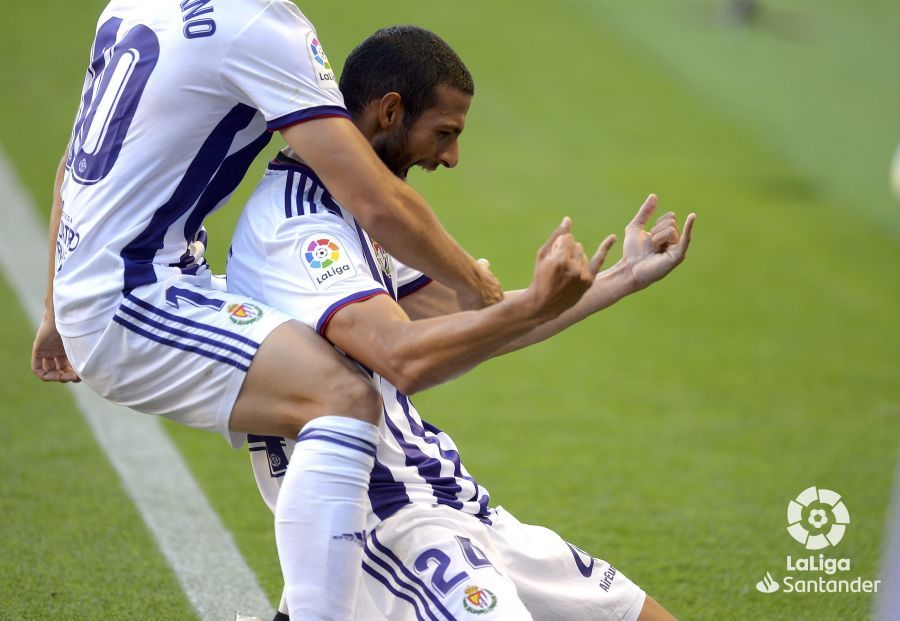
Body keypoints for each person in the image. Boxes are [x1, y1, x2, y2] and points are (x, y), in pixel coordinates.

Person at [29, 3, 512, 620]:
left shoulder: (132, 4)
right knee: (340, 397)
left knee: (331, 367)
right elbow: (371, 193)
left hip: (123, 279)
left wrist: (55, 300)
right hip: (134, 291)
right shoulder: (261, 27)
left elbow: (76, 162)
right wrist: (476, 285)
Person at [228, 26, 694, 621]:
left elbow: (478, 326)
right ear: (390, 112)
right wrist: (528, 302)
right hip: (385, 517)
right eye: (444, 133)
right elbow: (406, 358)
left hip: (457, 501)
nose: (450, 157)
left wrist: (623, 278)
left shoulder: (367, 211)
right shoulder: (297, 229)